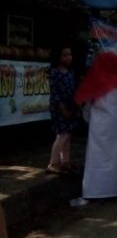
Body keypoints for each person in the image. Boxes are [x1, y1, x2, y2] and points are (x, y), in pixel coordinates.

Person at [74, 50, 117, 203]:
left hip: (97, 125)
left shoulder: (94, 80)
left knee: (96, 157)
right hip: (115, 125)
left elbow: (87, 106)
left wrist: (89, 120)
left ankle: (95, 190)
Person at [47, 45, 79, 175]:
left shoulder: (71, 73)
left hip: (70, 105)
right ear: (58, 57)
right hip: (59, 107)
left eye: (69, 54)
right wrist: (63, 108)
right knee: (62, 134)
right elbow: (56, 93)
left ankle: (65, 161)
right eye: (64, 55)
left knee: (68, 134)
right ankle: (53, 163)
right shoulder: (55, 72)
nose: (68, 58)